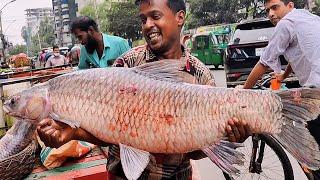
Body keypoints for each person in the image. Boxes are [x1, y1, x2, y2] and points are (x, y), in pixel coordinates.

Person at [37, 1, 250, 179]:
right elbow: (110, 130)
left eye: (155, 16)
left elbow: (194, 152)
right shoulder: (128, 65)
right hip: (124, 175)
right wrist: (73, 132)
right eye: (143, 19)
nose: (148, 25)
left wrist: (228, 137)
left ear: (180, 18)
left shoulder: (200, 75)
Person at [241, 0, 320, 179]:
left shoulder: (285, 24)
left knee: (309, 144)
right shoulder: (307, 17)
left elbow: (264, 62)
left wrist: (244, 90)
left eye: (275, 7)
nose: (271, 14)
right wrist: (283, 76)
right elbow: (299, 50)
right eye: (267, 10)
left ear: (289, 5)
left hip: (317, 92)